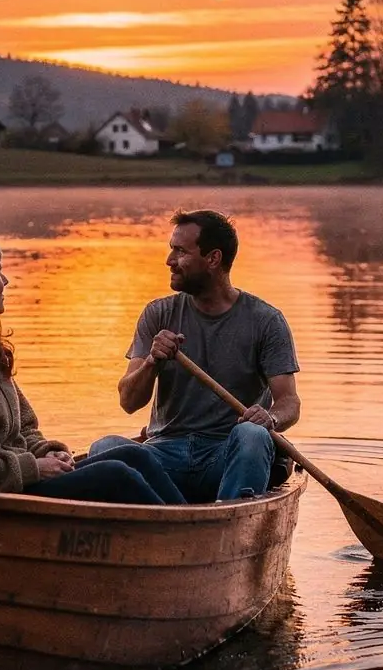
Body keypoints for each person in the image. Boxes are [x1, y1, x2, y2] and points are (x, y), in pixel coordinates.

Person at [0, 228, 185, 505]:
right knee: (116, 475)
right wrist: (32, 468)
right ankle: (184, 547)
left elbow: (23, 429)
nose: (5, 281)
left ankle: (193, 530)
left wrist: (45, 451)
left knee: (135, 456)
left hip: (18, 483)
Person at [88, 208, 301, 501]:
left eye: (180, 252)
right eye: (171, 250)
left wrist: (271, 419)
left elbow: (289, 402)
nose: (169, 261)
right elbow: (128, 401)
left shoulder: (265, 320)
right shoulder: (158, 313)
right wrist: (152, 362)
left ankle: (227, 517)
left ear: (213, 259)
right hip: (164, 454)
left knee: (253, 436)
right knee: (104, 449)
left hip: (226, 454)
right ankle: (171, 513)